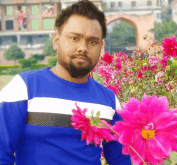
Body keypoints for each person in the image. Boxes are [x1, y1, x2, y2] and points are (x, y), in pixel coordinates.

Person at [0, 1, 132, 165]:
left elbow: (120, 159)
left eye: (92, 41)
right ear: (56, 40)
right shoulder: (23, 88)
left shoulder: (110, 100)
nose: (83, 48)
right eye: (75, 38)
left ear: (101, 46)